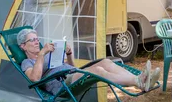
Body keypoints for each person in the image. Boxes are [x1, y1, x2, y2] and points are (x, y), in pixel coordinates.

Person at [16, 28, 160, 96]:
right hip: (61, 84)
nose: (37, 42)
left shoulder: (49, 53)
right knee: (98, 71)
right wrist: (41, 54)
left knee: (105, 62)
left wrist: (69, 53)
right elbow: (34, 79)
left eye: (37, 39)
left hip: (71, 74)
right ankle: (138, 81)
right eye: (32, 40)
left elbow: (72, 67)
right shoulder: (27, 62)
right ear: (23, 46)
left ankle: (142, 78)